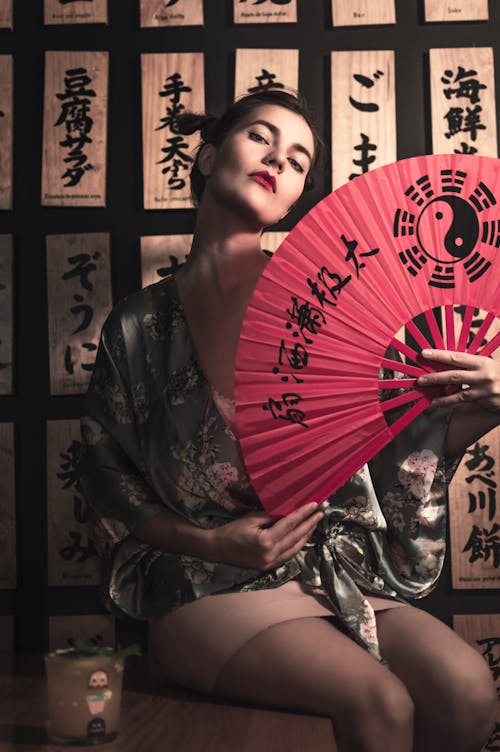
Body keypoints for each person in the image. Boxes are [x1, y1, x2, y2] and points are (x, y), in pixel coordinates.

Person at [80, 89, 498, 752]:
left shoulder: (327, 312)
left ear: (299, 196)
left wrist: (486, 406)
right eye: (261, 137)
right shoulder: (136, 326)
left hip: (328, 566)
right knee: (379, 703)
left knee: (469, 691)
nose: (280, 158)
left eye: (299, 159)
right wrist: (218, 544)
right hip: (205, 582)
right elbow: (107, 483)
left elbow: (398, 451)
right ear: (210, 154)